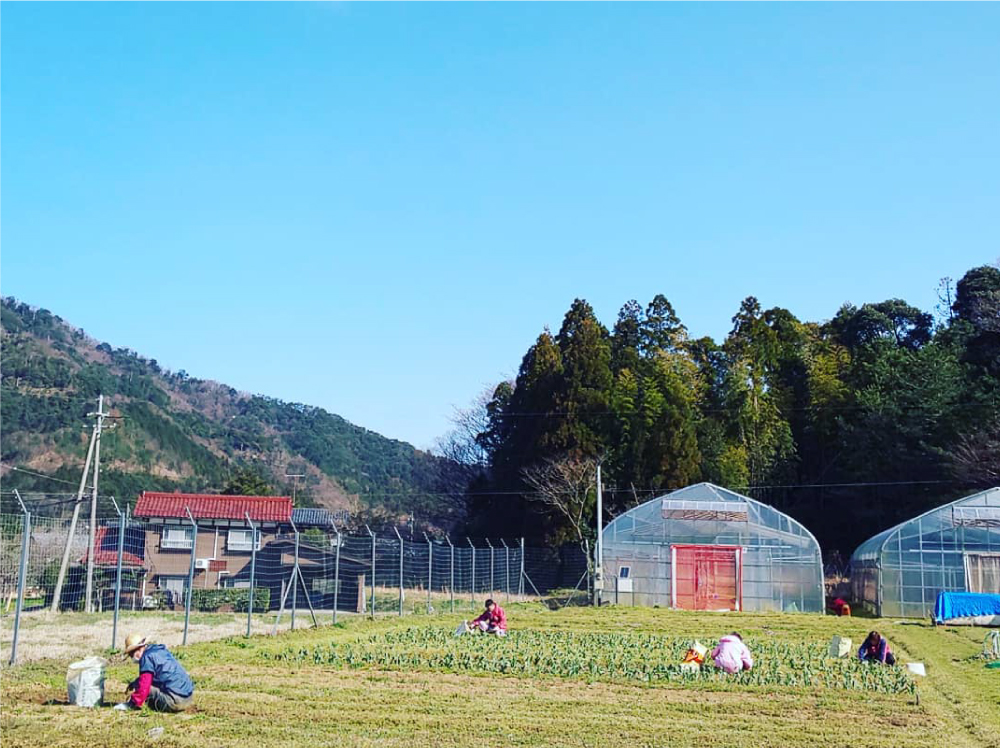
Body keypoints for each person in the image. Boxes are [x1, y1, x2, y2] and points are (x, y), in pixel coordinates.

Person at [113, 633, 195, 712]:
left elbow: (144, 686)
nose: (132, 658)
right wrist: (134, 683)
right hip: (188, 698)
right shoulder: (159, 651)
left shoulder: (146, 658)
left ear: (137, 650)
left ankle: (136, 704)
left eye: (131, 655)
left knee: (142, 685)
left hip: (175, 701)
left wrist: (131, 704)